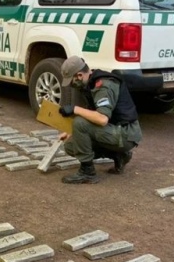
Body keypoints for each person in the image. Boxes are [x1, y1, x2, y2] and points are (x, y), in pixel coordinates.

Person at [57, 55, 142, 184]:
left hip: (126, 133)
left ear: (79, 75)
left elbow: (102, 119)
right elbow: (91, 117)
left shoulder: (103, 85)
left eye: (71, 81)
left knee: (79, 123)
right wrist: (70, 132)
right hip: (113, 130)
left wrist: (75, 109)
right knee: (70, 145)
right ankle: (118, 155)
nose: (72, 85)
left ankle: (87, 172)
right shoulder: (90, 83)